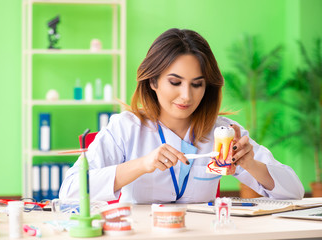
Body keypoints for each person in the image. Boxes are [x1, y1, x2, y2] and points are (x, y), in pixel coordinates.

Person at [59, 28, 304, 203]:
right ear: (153, 81)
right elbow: (70, 190)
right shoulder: (126, 127)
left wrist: (250, 163)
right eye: (175, 82)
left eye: (197, 84)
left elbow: (294, 192)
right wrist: (142, 164)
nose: (186, 96)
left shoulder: (224, 132)